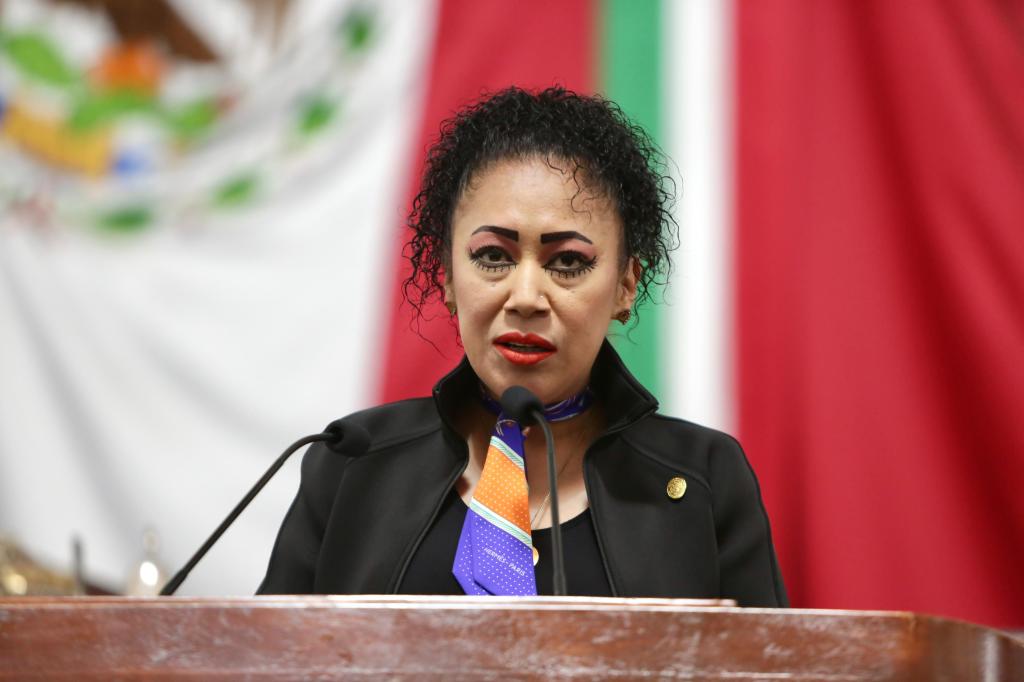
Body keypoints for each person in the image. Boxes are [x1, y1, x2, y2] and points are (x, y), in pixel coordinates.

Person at [259, 86, 787, 605]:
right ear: (447, 275)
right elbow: (264, 650)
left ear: (625, 285)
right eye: (493, 256)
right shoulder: (351, 462)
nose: (527, 297)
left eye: (568, 262)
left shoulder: (703, 477)